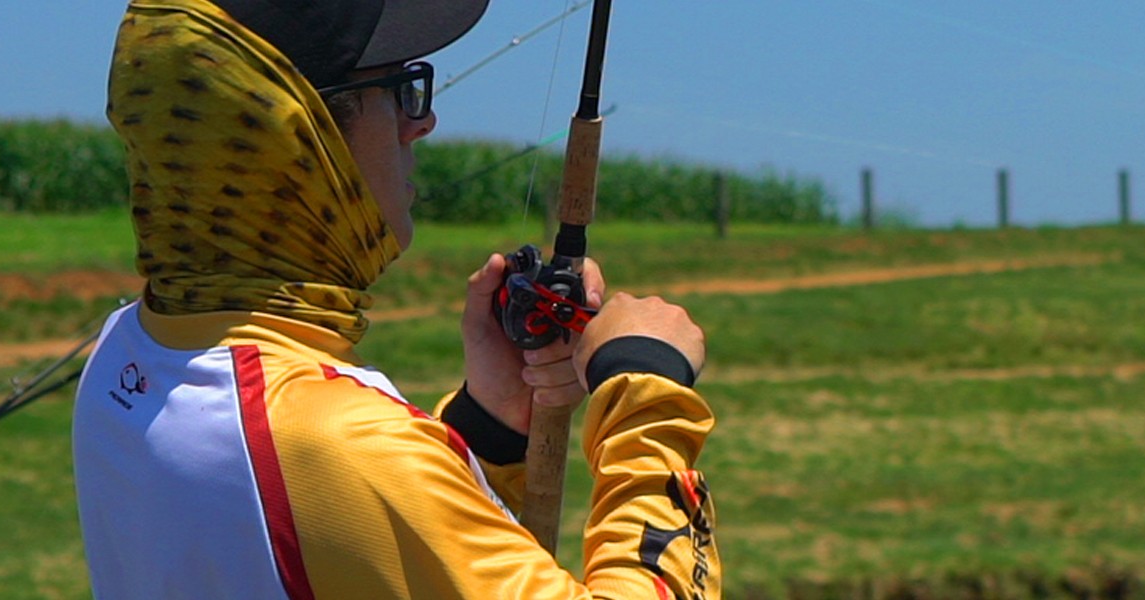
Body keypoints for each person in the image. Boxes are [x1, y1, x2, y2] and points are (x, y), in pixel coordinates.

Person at [70, 0, 720, 598]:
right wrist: (645, 386)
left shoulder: (122, 359)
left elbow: (348, 555)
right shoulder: (341, 448)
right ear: (300, 139)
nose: (424, 122)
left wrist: (489, 423)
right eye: (399, 90)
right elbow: (349, 487)